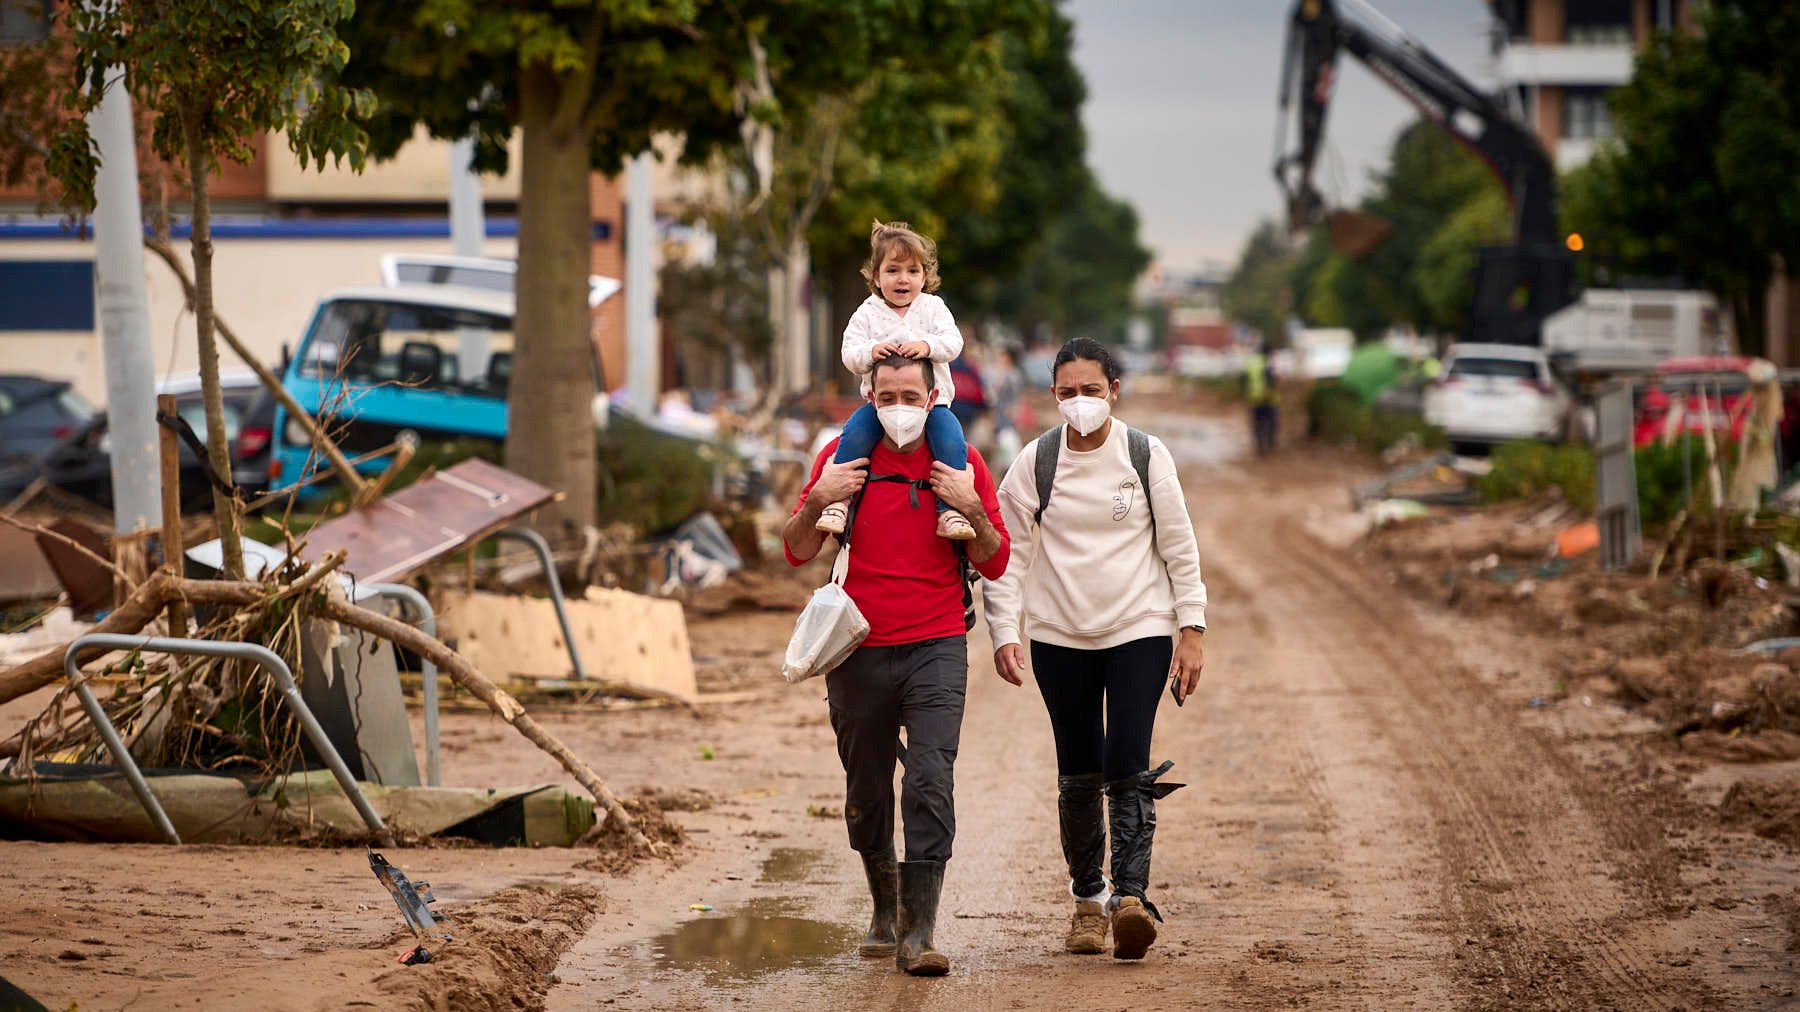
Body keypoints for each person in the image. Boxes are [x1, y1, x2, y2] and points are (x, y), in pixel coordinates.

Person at [783, 352, 1011, 977]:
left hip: (937, 644)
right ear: (870, 398)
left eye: (911, 397)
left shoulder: (960, 462)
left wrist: (968, 506)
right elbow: (796, 549)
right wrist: (819, 497)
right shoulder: (842, 458)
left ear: (934, 398)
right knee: (866, 789)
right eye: (888, 398)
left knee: (930, 780)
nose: (900, 409)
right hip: (856, 647)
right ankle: (884, 911)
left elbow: (995, 560)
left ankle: (919, 933)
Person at [982, 337, 1208, 962]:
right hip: (1059, 635)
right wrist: (1004, 631)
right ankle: (1088, 901)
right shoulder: (1035, 461)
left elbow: (1179, 545)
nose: (1080, 401)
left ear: (1114, 390)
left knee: (1127, 762)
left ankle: (1130, 899)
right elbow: (1006, 553)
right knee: (1078, 769)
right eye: (1067, 392)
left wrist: (1191, 628)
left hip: (1140, 626)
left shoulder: (1144, 454)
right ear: (1053, 396)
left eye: (1091, 389)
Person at [817, 221, 975, 541]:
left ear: (924, 277)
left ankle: (949, 511)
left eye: (912, 271)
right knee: (854, 434)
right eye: (893, 270)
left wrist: (927, 346)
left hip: (931, 404)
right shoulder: (867, 313)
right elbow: (849, 353)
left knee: (951, 441)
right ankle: (839, 503)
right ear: (876, 277)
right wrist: (871, 351)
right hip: (881, 406)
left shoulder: (933, 308)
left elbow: (953, 342)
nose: (903, 279)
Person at [1245, 340, 1279, 454]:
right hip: (1267, 398)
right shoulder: (1266, 362)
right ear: (1267, 352)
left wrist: (1246, 393)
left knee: (1257, 423)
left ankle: (1259, 445)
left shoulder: (1252, 362)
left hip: (1254, 398)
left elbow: (1243, 378)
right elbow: (1270, 380)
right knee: (1271, 422)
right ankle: (1270, 445)